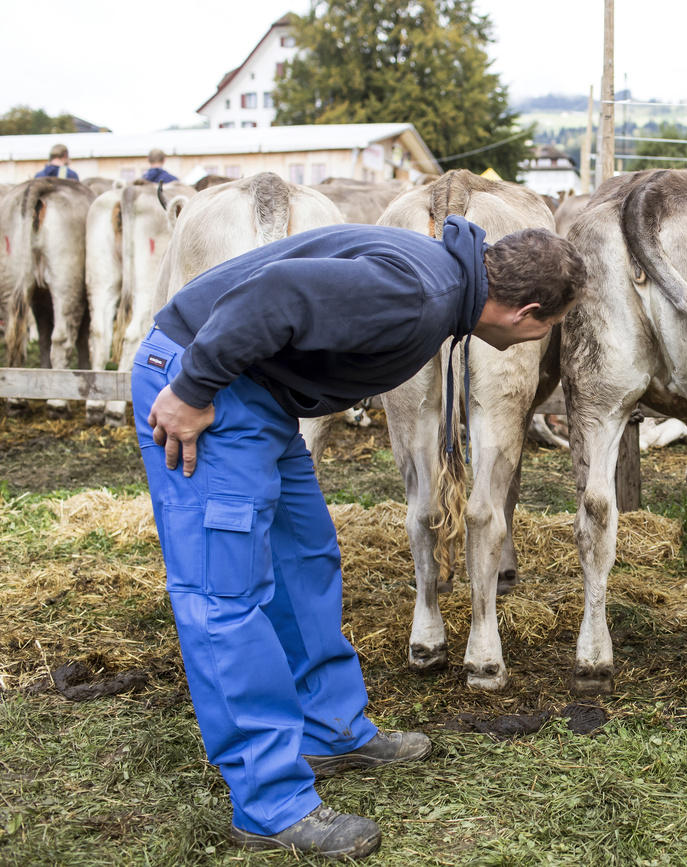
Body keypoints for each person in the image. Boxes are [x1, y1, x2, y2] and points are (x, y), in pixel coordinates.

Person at [133, 219, 586, 858]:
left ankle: (329, 725)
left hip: (257, 393)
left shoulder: (442, 280)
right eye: (546, 328)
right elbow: (276, 295)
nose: (537, 341)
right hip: (208, 389)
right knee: (225, 597)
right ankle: (270, 802)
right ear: (527, 311)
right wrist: (192, 387)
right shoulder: (416, 294)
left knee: (305, 559)